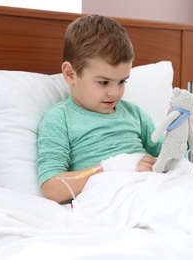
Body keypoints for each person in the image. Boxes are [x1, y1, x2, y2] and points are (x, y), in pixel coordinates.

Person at [37, 14, 162, 203]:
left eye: (121, 81)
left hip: (153, 189)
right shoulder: (60, 118)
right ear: (70, 74)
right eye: (103, 82)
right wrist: (111, 167)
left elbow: (162, 158)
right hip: (112, 198)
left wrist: (177, 138)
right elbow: (52, 188)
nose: (114, 93)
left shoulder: (134, 114)